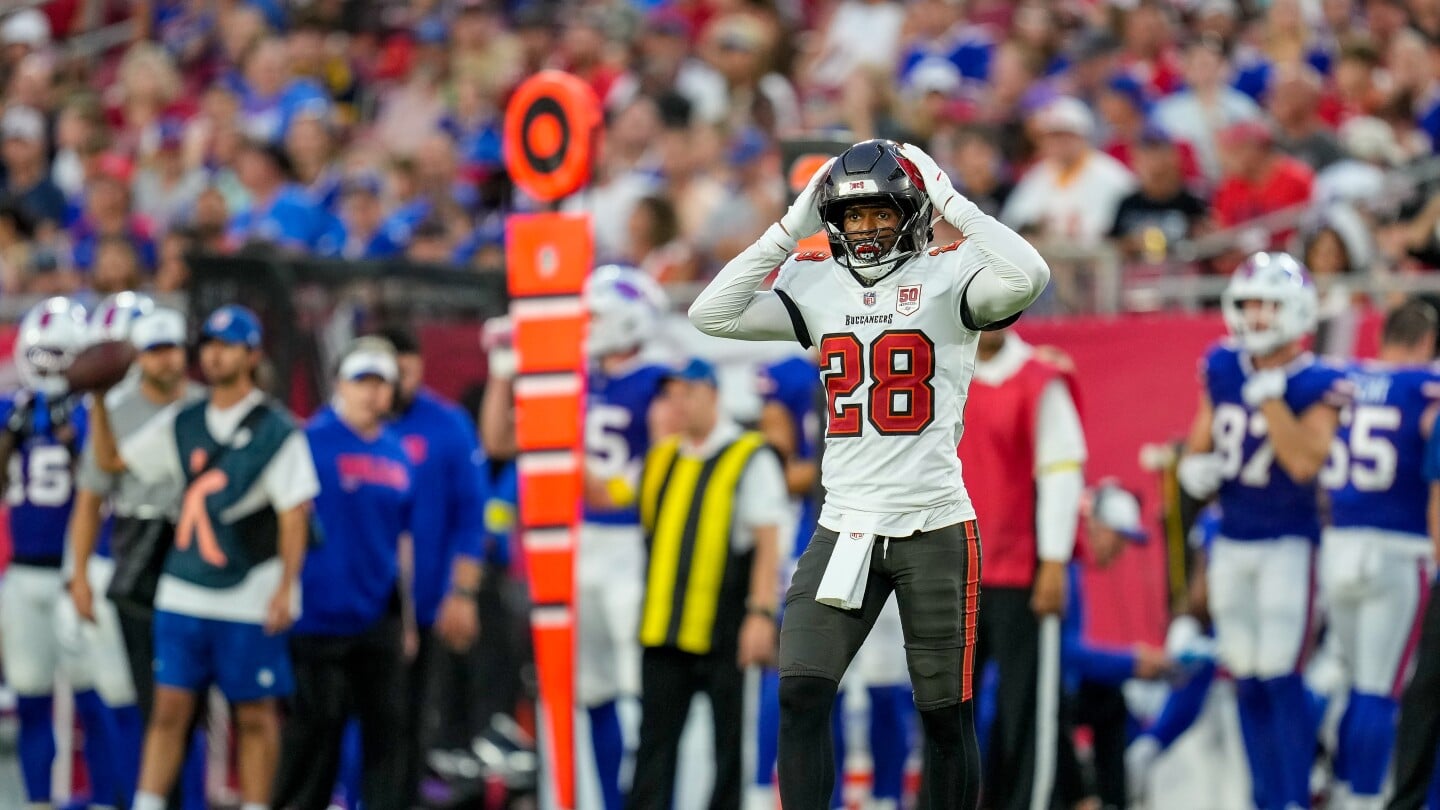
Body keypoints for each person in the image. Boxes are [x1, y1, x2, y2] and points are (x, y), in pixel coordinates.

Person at [688, 138, 1051, 810]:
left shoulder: (949, 272)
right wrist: (787, 228)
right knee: (801, 690)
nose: (867, 228)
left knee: (944, 717)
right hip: (844, 526)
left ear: (913, 211)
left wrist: (952, 200)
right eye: (853, 215)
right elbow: (710, 312)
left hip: (932, 525)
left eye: (882, 211)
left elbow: (1029, 275)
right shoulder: (817, 281)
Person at [87, 304, 320, 810]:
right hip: (184, 586)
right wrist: (100, 401)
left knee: (254, 713)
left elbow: (294, 514)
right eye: (209, 345)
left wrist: (287, 586)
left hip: (250, 588)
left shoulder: (276, 430)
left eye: (227, 345)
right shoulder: (183, 421)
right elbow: (113, 462)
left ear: (252, 354)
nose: (215, 355)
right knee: (169, 709)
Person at [482, 266, 676, 810]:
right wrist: (503, 372)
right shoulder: (576, 378)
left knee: (638, 684)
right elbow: (499, 440)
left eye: (594, 315)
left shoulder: (659, 380)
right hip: (574, 544)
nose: (585, 326)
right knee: (591, 688)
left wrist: (602, 486)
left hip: (632, 546)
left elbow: (662, 472)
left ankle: (651, 800)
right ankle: (608, 800)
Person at [1177, 253, 1349, 810]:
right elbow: (1201, 438)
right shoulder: (1223, 363)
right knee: (1245, 675)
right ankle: (1264, 799)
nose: (1255, 315)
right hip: (1231, 539)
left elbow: (1303, 463)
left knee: (1280, 675)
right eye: (1249, 303)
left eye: (1268, 304)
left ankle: (1294, 796)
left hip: (1289, 544)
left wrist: (1271, 399)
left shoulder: (1319, 380)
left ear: (1297, 310)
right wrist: (1193, 466)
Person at [626, 357, 786, 810]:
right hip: (662, 628)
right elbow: (617, 499)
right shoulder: (661, 457)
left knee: (728, 746)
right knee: (653, 745)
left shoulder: (747, 455)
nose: (677, 404)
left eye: (688, 393)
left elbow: (768, 539)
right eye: (670, 394)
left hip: (723, 627)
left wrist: (761, 613)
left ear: (713, 395)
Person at [66, 296, 205, 809]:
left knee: (195, 702)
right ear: (138, 357)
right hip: (141, 553)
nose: (166, 359)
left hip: (202, 554)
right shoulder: (117, 411)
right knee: (152, 697)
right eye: (155, 350)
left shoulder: (207, 404)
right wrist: (79, 573)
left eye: (172, 349)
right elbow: (91, 498)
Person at [0, 297, 128, 808]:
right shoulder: (10, 410)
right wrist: (10, 438)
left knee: (95, 701)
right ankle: (36, 802)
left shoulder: (91, 412)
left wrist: (74, 439)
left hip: (77, 573)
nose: (51, 364)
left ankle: (104, 800)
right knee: (31, 698)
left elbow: (107, 482)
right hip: (24, 574)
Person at [274, 338, 411, 810]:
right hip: (317, 614)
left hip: (376, 614)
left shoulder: (397, 453)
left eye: (381, 383)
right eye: (362, 381)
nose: (372, 393)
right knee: (315, 734)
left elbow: (403, 540)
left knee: (386, 735)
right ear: (339, 385)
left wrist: (406, 619)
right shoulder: (308, 440)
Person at [957, 325, 1086, 810]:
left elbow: (1061, 471)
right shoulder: (942, 370)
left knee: (1026, 711)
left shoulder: (1039, 378)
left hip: (1018, 573)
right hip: (951, 572)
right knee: (944, 712)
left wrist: (1053, 561)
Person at [1320, 299, 1440, 810]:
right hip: (1397, 550)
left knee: (1355, 682)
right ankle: (1365, 800)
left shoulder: (1343, 377)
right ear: (1427, 342)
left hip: (1338, 547)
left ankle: (1344, 790)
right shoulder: (1424, 386)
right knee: (1379, 689)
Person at [372, 326, 484, 802]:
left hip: (426, 603)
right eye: (390, 372)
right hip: (361, 607)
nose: (399, 382)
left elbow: (472, 515)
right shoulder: (351, 427)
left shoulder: (447, 425)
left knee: (413, 719)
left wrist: (463, 593)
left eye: (407, 371)